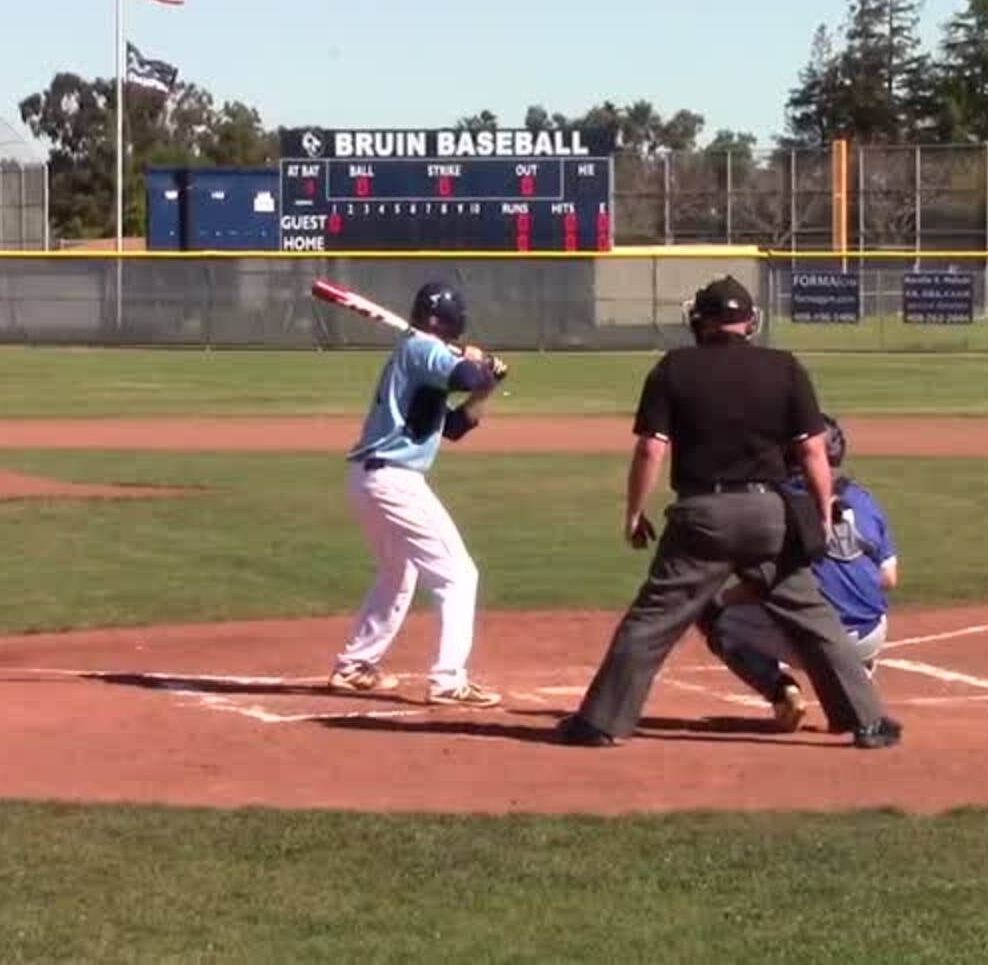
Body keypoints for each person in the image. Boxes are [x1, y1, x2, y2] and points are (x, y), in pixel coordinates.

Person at [556, 275, 901, 749]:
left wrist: (634, 514)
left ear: (700, 320)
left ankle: (600, 723)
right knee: (812, 618)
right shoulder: (784, 367)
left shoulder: (674, 368)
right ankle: (869, 722)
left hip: (703, 515)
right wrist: (822, 511)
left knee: (653, 620)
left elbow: (650, 451)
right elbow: (814, 452)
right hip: (771, 515)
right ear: (749, 322)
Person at [329, 281, 507, 708]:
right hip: (393, 480)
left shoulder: (422, 353)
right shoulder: (424, 349)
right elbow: (465, 374)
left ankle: (354, 666)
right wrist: (477, 365)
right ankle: (448, 680)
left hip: (373, 479)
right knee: (459, 576)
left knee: (399, 572)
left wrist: (488, 385)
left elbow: (453, 428)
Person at [701, 415, 899, 732]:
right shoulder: (865, 499)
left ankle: (781, 691)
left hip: (817, 640)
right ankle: (857, 674)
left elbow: (761, 584)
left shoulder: (778, 502)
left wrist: (716, 600)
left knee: (716, 619)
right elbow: (889, 578)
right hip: (872, 635)